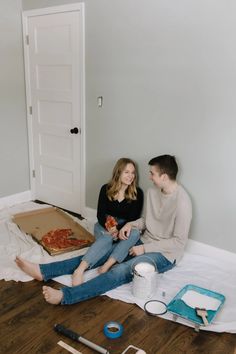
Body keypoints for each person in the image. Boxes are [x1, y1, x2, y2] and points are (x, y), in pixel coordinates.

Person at [15, 155, 192, 306]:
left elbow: (178, 242)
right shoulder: (154, 192)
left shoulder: (182, 202)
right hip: (144, 241)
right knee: (101, 253)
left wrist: (144, 249)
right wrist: (131, 225)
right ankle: (43, 271)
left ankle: (66, 296)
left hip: (165, 254)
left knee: (120, 270)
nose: (149, 177)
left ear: (164, 176)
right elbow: (146, 220)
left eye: (152, 173)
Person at [16, 157, 143, 286]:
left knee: (135, 233)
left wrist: (119, 228)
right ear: (118, 172)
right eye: (127, 172)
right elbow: (100, 215)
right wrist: (111, 227)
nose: (131, 176)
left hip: (124, 227)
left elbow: (133, 219)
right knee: (106, 239)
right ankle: (79, 270)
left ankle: (107, 265)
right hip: (105, 225)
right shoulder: (106, 189)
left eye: (133, 173)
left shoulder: (138, 193)